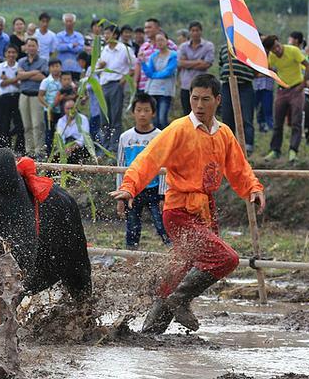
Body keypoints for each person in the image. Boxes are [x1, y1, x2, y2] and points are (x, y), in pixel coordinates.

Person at [110, 74, 266, 335]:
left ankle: (150, 332)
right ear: (189, 98)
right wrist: (129, 188)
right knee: (226, 258)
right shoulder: (178, 129)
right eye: (195, 98)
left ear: (217, 100)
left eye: (206, 99)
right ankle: (181, 299)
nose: (199, 105)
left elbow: (239, 168)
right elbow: (147, 160)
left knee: (178, 272)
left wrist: (253, 188)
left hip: (205, 211)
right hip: (179, 211)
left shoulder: (224, 133)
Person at [116, 93, 171, 250]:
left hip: (154, 189)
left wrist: (163, 195)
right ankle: (131, 262)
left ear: (153, 112)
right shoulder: (125, 137)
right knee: (132, 227)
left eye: (146, 110)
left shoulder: (160, 136)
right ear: (133, 112)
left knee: (162, 225)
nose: (142, 114)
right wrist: (121, 194)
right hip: (133, 190)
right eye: (139, 110)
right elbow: (120, 168)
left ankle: (175, 256)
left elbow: (164, 166)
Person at [263, 35, 309, 162]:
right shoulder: (272, 57)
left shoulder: (293, 50)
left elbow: (308, 67)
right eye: (274, 49)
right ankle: (275, 150)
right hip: (281, 90)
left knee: (296, 121)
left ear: (279, 42)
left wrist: (303, 84)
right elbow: (267, 68)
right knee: (278, 122)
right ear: (270, 50)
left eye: (278, 46)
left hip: (296, 89)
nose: (277, 50)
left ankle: (293, 150)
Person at [97, 25, 135, 152]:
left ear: (115, 35)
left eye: (108, 33)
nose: (106, 36)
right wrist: (100, 65)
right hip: (103, 85)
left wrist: (123, 80)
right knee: (104, 118)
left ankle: (114, 147)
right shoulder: (104, 49)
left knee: (115, 117)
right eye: (105, 33)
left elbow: (134, 67)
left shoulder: (124, 49)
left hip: (116, 84)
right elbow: (97, 68)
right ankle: (104, 146)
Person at [219, 41, 256, 154]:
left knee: (246, 116)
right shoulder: (224, 47)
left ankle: (247, 146)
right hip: (227, 84)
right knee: (227, 116)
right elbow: (221, 64)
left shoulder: (249, 46)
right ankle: (228, 145)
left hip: (244, 85)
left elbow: (255, 65)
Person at [17, 38, 48, 157]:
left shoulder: (43, 61)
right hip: (24, 95)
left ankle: (39, 151)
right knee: (27, 126)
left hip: (37, 96)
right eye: (29, 45)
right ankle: (29, 152)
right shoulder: (21, 61)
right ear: (26, 47)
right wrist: (34, 72)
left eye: (33, 45)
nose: (31, 48)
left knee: (38, 124)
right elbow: (19, 76)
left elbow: (42, 77)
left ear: (37, 47)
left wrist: (26, 75)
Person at [141, 32, 178, 130]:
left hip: (165, 91)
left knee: (162, 118)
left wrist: (154, 75)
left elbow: (168, 72)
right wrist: (143, 63)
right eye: (157, 40)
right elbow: (149, 72)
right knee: (155, 120)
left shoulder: (173, 55)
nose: (159, 42)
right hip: (153, 90)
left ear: (167, 41)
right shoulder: (154, 56)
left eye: (162, 40)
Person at [178, 21, 214, 116]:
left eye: (197, 30)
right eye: (193, 30)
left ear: (201, 32)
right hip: (186, 85)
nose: (195, 33)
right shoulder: (183, 46)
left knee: (202, 112)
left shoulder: (208, 46)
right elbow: (180, 63)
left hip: (201, 85)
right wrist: (198, 61)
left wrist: (188, 63)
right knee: (187, 114)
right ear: (189, 32)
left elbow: (206, 64)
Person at [135, 18, 177, 93]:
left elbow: (176, 62)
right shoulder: (144, 46)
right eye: (145, 28)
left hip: (162, 88)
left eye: (149, 27)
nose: (146, 30)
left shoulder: (169, 44)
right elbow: (138, 65)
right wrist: (135, 82)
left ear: (158, 29)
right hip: (144, 86)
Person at [0, 44, 22, 151]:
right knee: (4, 124)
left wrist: (7, 79)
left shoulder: (20, 66)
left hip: (17, 97)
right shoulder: (0, 66)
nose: (11, 54)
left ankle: (18, 149)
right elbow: (1, 84)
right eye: (9, 52)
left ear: (17, 54)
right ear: (5, 54)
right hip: (4, 98)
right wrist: (15, 79)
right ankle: (5, 149)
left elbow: (21, 85)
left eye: (13, 52)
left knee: (19, 124)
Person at [38, 58, 62, 154]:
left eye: (57, 66)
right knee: (50, 132)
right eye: (53, 67)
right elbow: (40, 96)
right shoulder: (46, 81)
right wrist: (48, 107)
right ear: (49, 68)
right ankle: (49, 154)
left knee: (61, 131)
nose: (55, 69)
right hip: (49, 111)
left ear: (61, 67)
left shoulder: (63, 79)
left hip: (62, 110)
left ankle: (60, 152)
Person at [54, 99, 89, 164]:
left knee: (74, 156)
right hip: (66, 145)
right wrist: (64, 148)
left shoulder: (83, 119)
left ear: (76, 108)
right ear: (64, 109)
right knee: (55, 158)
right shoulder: (61, 121)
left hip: (79, 146)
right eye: (68, 108)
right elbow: (60, 137)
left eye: (72, 108)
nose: (70, 110)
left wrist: (74, 147)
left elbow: (84, 137)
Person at [56, 13, 85, 81]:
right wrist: (72, 45)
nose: (69, 23)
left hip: (76, 67)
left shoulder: (79, 36)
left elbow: (80, 49)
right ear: (64, 22)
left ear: (74, 22)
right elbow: (59, 48)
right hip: (63, 67)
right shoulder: (59, 35)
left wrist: (65, 45)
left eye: (70, 21)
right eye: (67, 21)